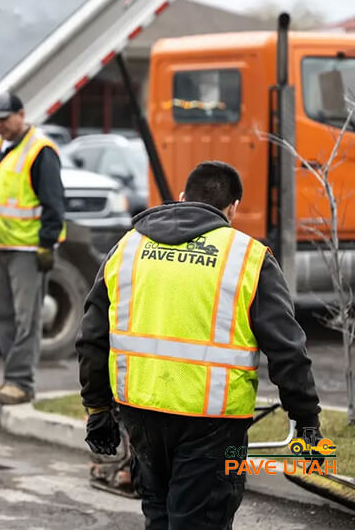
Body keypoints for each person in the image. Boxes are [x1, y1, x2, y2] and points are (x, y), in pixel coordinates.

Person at [76, 161, 323, 529]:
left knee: (158, 516)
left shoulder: (127, 247)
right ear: (233, 208)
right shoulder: (248, 259)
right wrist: (306, 422)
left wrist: (97, 410)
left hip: (140, 415)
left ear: (181, 198)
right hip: (215, 426)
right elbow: (288, 351)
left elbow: (92, 336)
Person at [0, 91, 66, 405]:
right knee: (1, 316)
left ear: (21, 114)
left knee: (26, 318)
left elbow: (53, 203)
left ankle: (22, 382)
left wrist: (46, 245)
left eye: (4, 119)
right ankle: (10, 378)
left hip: (28, 250)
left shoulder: (40, 152)